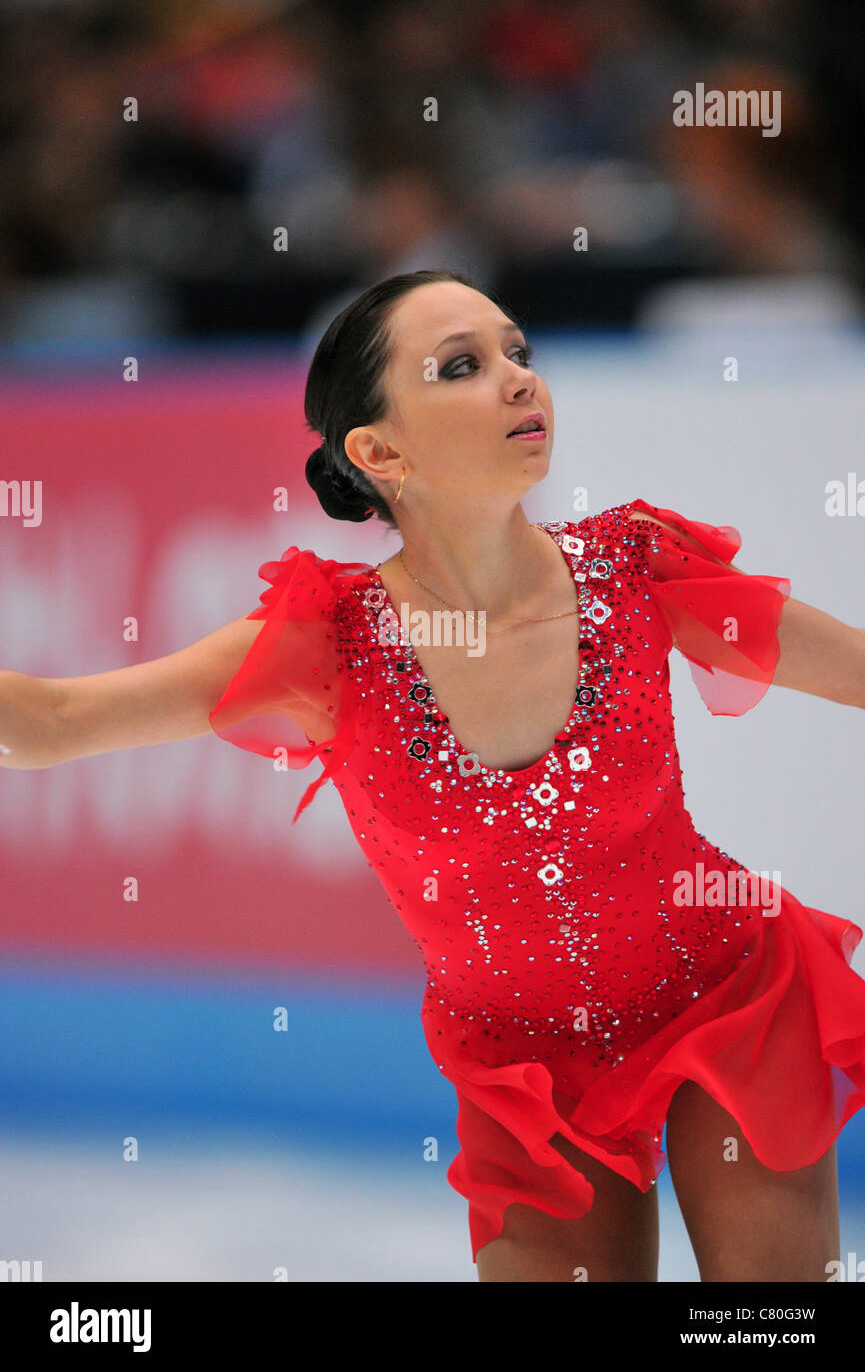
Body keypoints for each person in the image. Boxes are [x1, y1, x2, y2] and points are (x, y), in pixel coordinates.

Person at [3, 269, 865, 1283]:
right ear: (378, 451)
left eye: (518, 354)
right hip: (522, 1074)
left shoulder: (640, 566)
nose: (515, 381)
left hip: (722, 997)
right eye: (462, 366)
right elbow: (55, 724)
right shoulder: (325, 642)